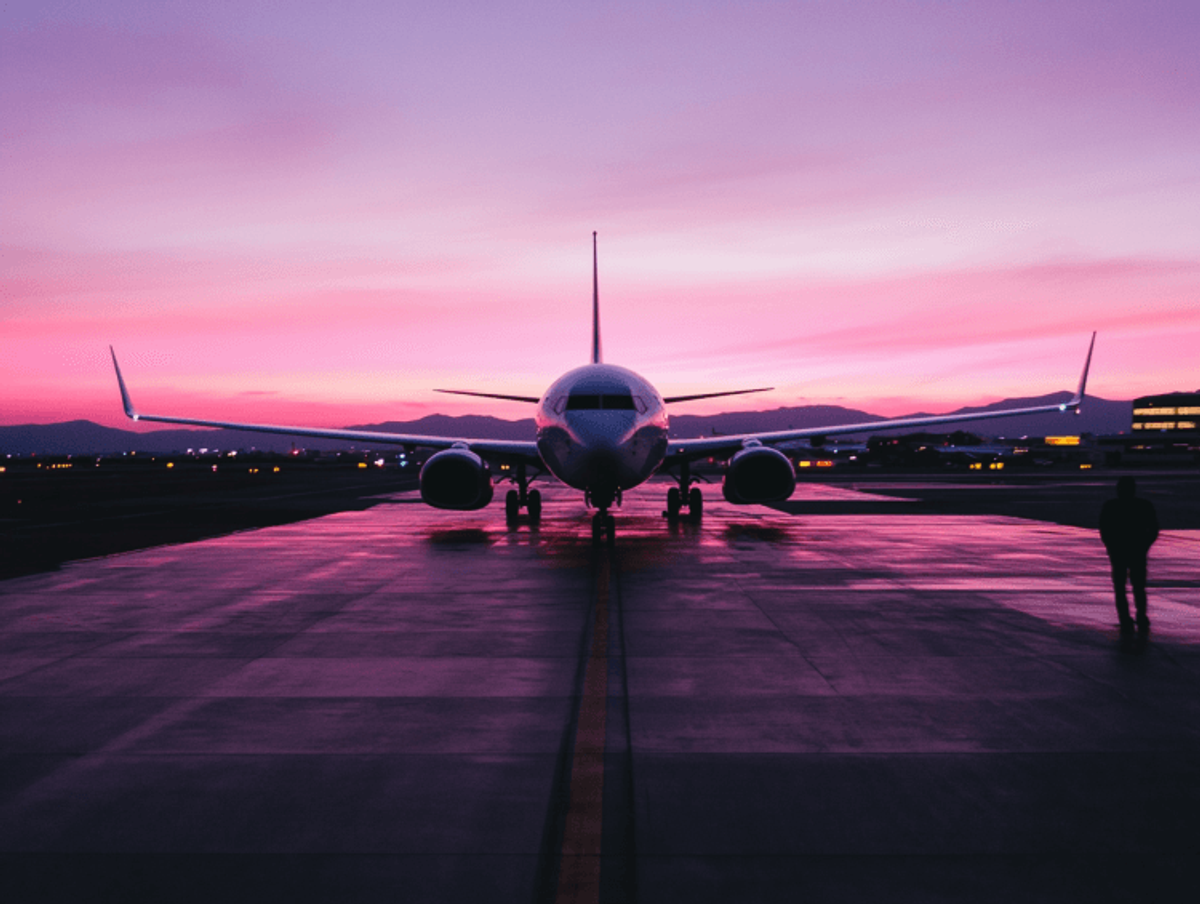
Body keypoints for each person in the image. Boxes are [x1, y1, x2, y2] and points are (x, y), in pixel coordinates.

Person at [1099, 476, 1159, 643]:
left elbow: (1105, 529)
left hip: (1119, 552)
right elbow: (1153, 528)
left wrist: (1111, 547)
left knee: (1120, 587)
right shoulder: (1144, 506)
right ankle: (1140, 616)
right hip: (1137, 551)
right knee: (1138, 587)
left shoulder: (1111, 506)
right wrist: (1145, 545)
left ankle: (1125, 618)